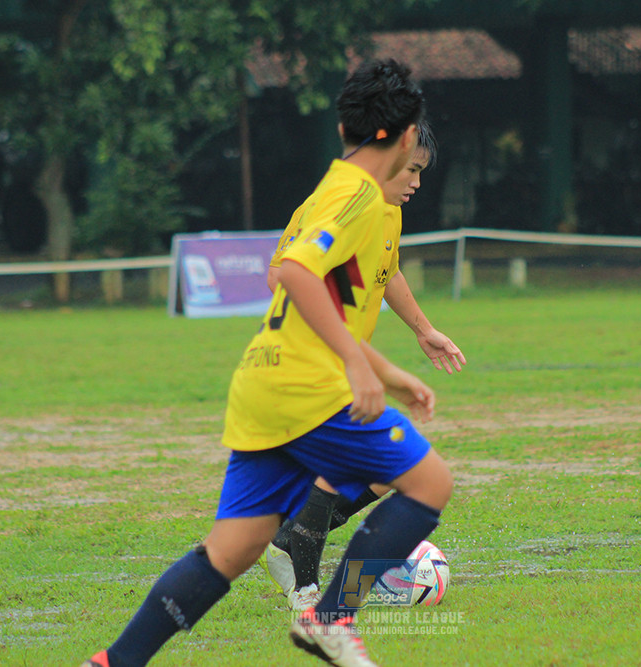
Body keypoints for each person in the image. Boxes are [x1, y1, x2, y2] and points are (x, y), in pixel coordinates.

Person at [81, 59, 453, 667]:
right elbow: (294, 272)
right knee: (430, 481)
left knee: (232, 550)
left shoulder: (352, 192)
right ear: (409, 134)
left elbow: (321, 294)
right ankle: (329, 620)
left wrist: (386, 368)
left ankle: (115, 662)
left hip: (263, 383)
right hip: (308, 388)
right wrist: (360, 372)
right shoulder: (358, 195)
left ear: (342, 128)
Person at [261, 121, 466, 612]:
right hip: (308, 359)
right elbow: (279, 275)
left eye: (421, 171)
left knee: (387, 469)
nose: (418, 181)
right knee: (383, 463)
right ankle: (303, 579)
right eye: (412, 169)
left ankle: (290, 542)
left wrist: (423, 329)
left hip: (343, 361)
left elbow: (387, 269)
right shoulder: (341, 205)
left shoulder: (387, 211)